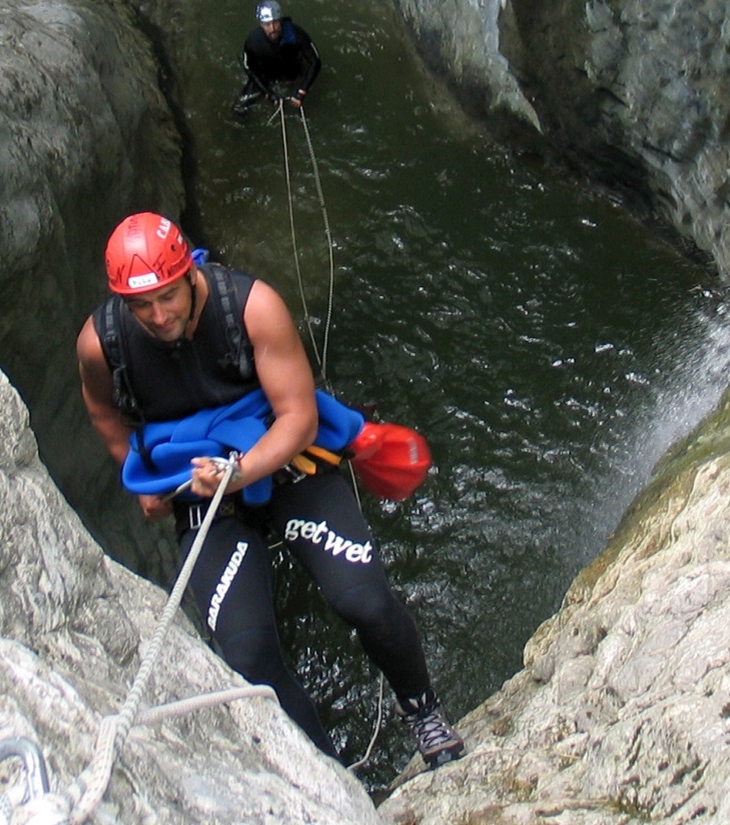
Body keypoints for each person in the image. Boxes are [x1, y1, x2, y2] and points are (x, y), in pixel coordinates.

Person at [75, 212, 465, 769]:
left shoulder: (250, 308)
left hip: (283, 464)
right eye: (141, 305)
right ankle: (335, 782)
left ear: (189, 272)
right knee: (249, 656)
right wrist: (137, 477)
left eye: (167, 296)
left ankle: (423, 713)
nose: (158, 316)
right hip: (199, 489)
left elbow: (298, 418)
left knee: (365, 601)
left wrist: (238, 473)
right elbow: (103, 411)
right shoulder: (102, 343)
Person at [234, 0, 322, 117]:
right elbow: (250, 68)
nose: (272, 28)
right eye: (267, 24)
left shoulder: (296, 35)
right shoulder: (253, 41)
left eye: (275, 22)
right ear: (261, 24)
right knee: (239, 109)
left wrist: (302, 90)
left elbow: (315, 62)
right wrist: (267, 92)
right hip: (267, 76)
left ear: (280, 21)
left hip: (294, 76)